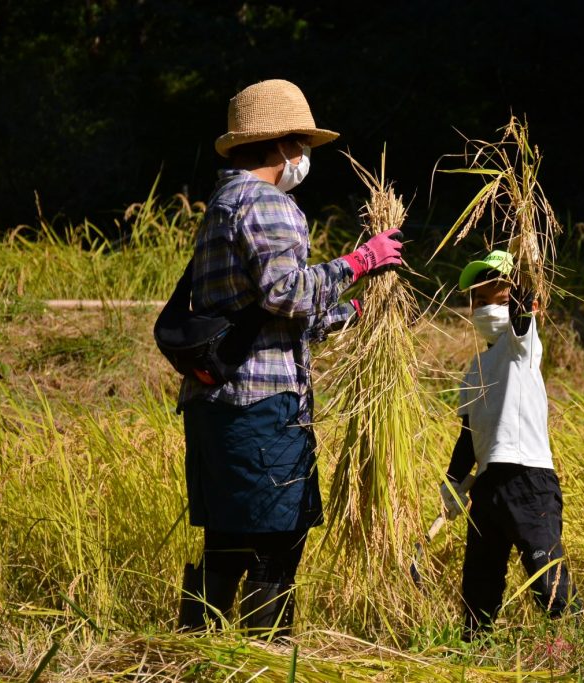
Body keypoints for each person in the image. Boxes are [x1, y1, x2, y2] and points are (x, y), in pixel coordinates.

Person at [175, 79, 404, 638]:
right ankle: (266, 656)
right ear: (279, 146)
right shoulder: (268, 203)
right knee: (279, 540)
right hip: (261, 404)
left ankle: (195, 650)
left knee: (228, 540)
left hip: (219, 401)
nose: (303, 157)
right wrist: (358, 264)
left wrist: (353, 315)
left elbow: (265, 311)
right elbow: (287, 294)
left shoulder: (223, 203)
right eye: (300, 144)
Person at [442, 249, 579, 640]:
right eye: (480, 302)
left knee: (544, 575)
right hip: (487, 485)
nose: (488, 310)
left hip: (527, 479)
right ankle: (473, 650)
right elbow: (469, 433)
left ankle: (575, 642)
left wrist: (527, 250)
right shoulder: (475, 369)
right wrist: (452, 481)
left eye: (499, 301)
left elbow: (523, 304)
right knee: (479, 584)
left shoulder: (522, 344)